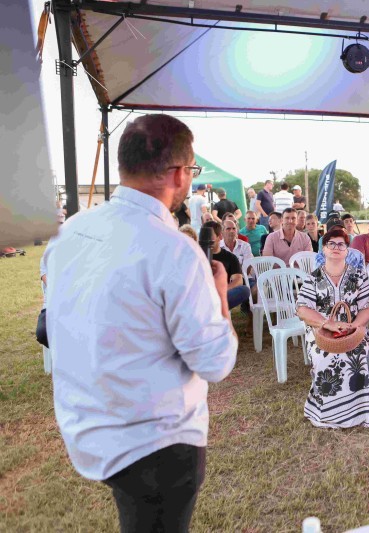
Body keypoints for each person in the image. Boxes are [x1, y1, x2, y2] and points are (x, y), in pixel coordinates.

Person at [43, 114, 237, 532]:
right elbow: (216, 362)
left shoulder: (71, 231)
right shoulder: (173, 250)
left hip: (88, 420)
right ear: (180, 174)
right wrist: (219, 293)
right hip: (155, 442)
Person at [296, 228, 369, 428]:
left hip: (354, 330)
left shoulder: (359, 276)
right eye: (331, 244)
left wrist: (354, 327)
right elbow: (302, 309)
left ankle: (361, 413)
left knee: (359, 352)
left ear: (347, 250)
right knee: (323, 356)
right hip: (322, 331)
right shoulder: (313, 278)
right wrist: (328, 324)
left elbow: (368, 306)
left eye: (341, 244)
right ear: (324, 250)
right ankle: (328, 414)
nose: (336, 248)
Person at [205, 221, 251, 314]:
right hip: (203, 293)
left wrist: (222, 290)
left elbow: (238, 280)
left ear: (219, 237)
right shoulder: (199, 255)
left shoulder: (230, 257)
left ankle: (212, 308)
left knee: (244, 290)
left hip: (222, 293)